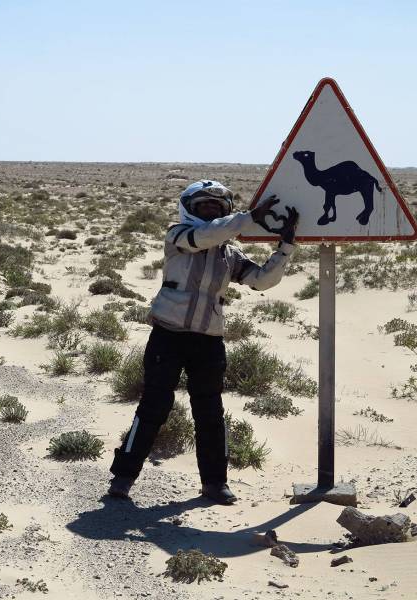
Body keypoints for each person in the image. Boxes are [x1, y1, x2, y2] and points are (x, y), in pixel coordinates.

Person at [108, 180, 298, 505]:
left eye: (217, 207)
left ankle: (215, 483)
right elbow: (204, 237)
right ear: (189, 209)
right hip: (167, 335)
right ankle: (123, 478)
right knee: (154, 407)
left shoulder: (229, 255)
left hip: (208, 341)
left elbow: (262, 280)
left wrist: (285, 248)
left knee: (210, 413)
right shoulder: (178, 236)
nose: (210, 211)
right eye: (204, 206)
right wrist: (249, 218)